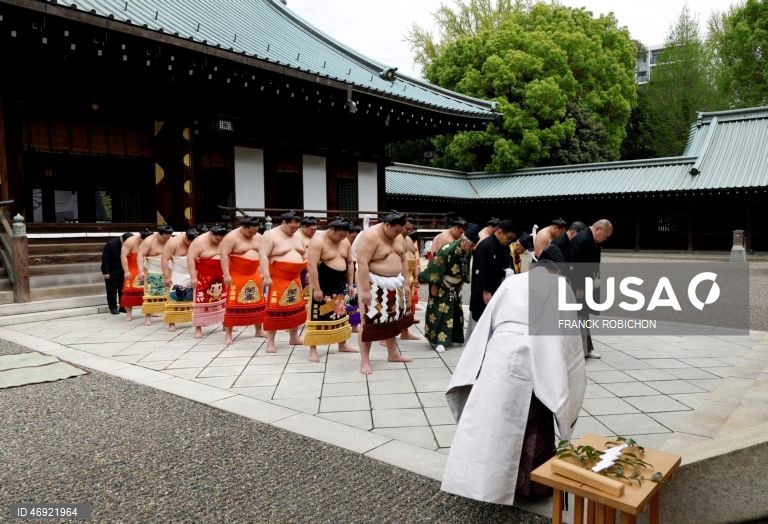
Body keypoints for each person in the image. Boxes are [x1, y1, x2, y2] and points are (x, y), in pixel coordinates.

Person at [441, 245, 586, 505]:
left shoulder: (513, 281)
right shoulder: (560, 286)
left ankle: (485, 483)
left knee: (494, 420)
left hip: (501, 351)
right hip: (539, 356)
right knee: (533, 421)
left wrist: (477, 361)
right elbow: (570, 337)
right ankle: (531, 487)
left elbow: (488, 320)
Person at [356, 211, 414, 375]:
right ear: (387, 225)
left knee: (393, 318)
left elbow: (402, 259)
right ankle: (365, 360)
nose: (398, 234)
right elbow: (362, 263)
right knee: (368, 321)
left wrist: (406, 282)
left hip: (396, 282)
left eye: (400, 231)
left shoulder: (399, 236)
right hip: (373, 282)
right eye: (395, 230)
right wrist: (365, 291)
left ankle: (392, 353)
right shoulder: (370, 236)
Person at [303, 218, 358, 362]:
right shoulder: (318, 241)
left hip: (339, 284)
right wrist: (316, 289)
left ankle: (342, 344)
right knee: (317, 316)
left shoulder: (344, 241)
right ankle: (312, 349)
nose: (342, 238)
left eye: (345, 236)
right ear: (333, 230)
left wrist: (351, 284)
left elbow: (350, 263)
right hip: (323, 284)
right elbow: (311, 265)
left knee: (339, 315)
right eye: (340, 235)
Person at [420, 224, 479, 353]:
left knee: (455, 313)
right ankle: (438, 341)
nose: (473, 248)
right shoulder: (448, 249)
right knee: (440, 313)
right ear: (464, 241)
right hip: (441, 285)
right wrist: (434, 286)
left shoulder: (467, 252)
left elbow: (464, 271)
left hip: (454, 287)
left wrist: (460, 284)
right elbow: (436, 268)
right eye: (472, 245)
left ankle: (452, 338)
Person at [565, 219, 613, 359]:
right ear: (598, 230)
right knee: (577, 317)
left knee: (584, 316)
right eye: (604, 236)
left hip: (588, 284)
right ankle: (578, 350)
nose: (604, 240)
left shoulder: (593, 241)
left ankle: (587, 348)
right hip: (578, 286)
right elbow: (572, 265)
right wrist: (578, 287)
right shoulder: (581, 240)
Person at [259, 210, 306, 353]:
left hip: (295, 277)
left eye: (297, 227)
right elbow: (263, 255)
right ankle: (270, 342)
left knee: (295, 307)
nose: (294, 230)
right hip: (278, 277)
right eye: (292, 227)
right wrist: (266, 275)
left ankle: (294, 337)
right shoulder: (270, 235)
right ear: (284, 222)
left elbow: (303, 252)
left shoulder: (298, 235)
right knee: (275, 309)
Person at [220, 217, 267, 346]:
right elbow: (224, 256)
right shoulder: (231, 237)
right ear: (244, 227)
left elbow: (263, 254)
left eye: (255, 231)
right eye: (250, 232)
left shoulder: (258, 237)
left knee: (258, 301)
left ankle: (258, 330)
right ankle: (228, 334)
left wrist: (263, 271)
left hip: (254, 273)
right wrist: (226, 275)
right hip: (237, 274)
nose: (253, 234)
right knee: (233, 304)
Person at [467, 219, 515, 341]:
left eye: (511, 239)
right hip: (484, 291)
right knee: (480, 321)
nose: (509, 241)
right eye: (508, 238)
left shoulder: (505, 247)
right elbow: (480, 271)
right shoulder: (484, 246)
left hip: (499, 288)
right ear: (499, 231)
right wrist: (485, 291)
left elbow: (508, 264)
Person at [187, 225, 229, 338]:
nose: (219, 241)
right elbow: (190, 258)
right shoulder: (198, 241)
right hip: (203, 276)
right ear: (211, 233)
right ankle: (198, 328)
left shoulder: (225, 240)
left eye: (221, 239)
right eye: (217, 239)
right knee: (200, 302)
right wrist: (193, 277)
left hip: (219, 275)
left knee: (223, 300)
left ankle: (225, 324)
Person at [161, 228, 199, 332]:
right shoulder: (173, 242)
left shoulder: (198, 242)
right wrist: (167, 277)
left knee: (192, 298)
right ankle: (172, 322)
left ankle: (194, 319)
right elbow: (164, 259)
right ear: (186, 238)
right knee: (175, 298)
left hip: (193, 274)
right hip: (177, 273)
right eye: (190, 243)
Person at [137, 225, 174, 325]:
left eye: (169, 237)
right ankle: (147, 317)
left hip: (168, 270)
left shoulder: (171, 240)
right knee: (150, 294)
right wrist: (140, 271)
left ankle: (168, 314)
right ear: (159, 234)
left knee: (168, 294)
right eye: (165, 237)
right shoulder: (149, 241)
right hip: (152, 270)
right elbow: (140, 255)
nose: (167, 239)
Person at [120, 228, 153, 320]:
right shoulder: (130, 241)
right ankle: (129, 313)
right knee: (129, 291)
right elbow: (123, 256)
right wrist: (126, 271)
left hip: (146, 267)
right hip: (132, 267)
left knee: (148, 291)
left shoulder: (152, 240)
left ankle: (150, 311)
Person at [101, 232, 133, 314]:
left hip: (123, 270)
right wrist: (105, 272)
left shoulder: (130, 244)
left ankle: (122, 306)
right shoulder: (111, 244)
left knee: (122, 290)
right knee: (111, 290)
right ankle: (113, 307)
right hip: (111, 270)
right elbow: (105, 259)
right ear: (122, 239)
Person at [345, 224, 363, 333]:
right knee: (345, 301)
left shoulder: (358, 242)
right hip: (343, 274)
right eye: (354, 236)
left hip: (355, 271)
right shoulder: (343, 242)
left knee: (355, 299)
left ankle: (355, 325)